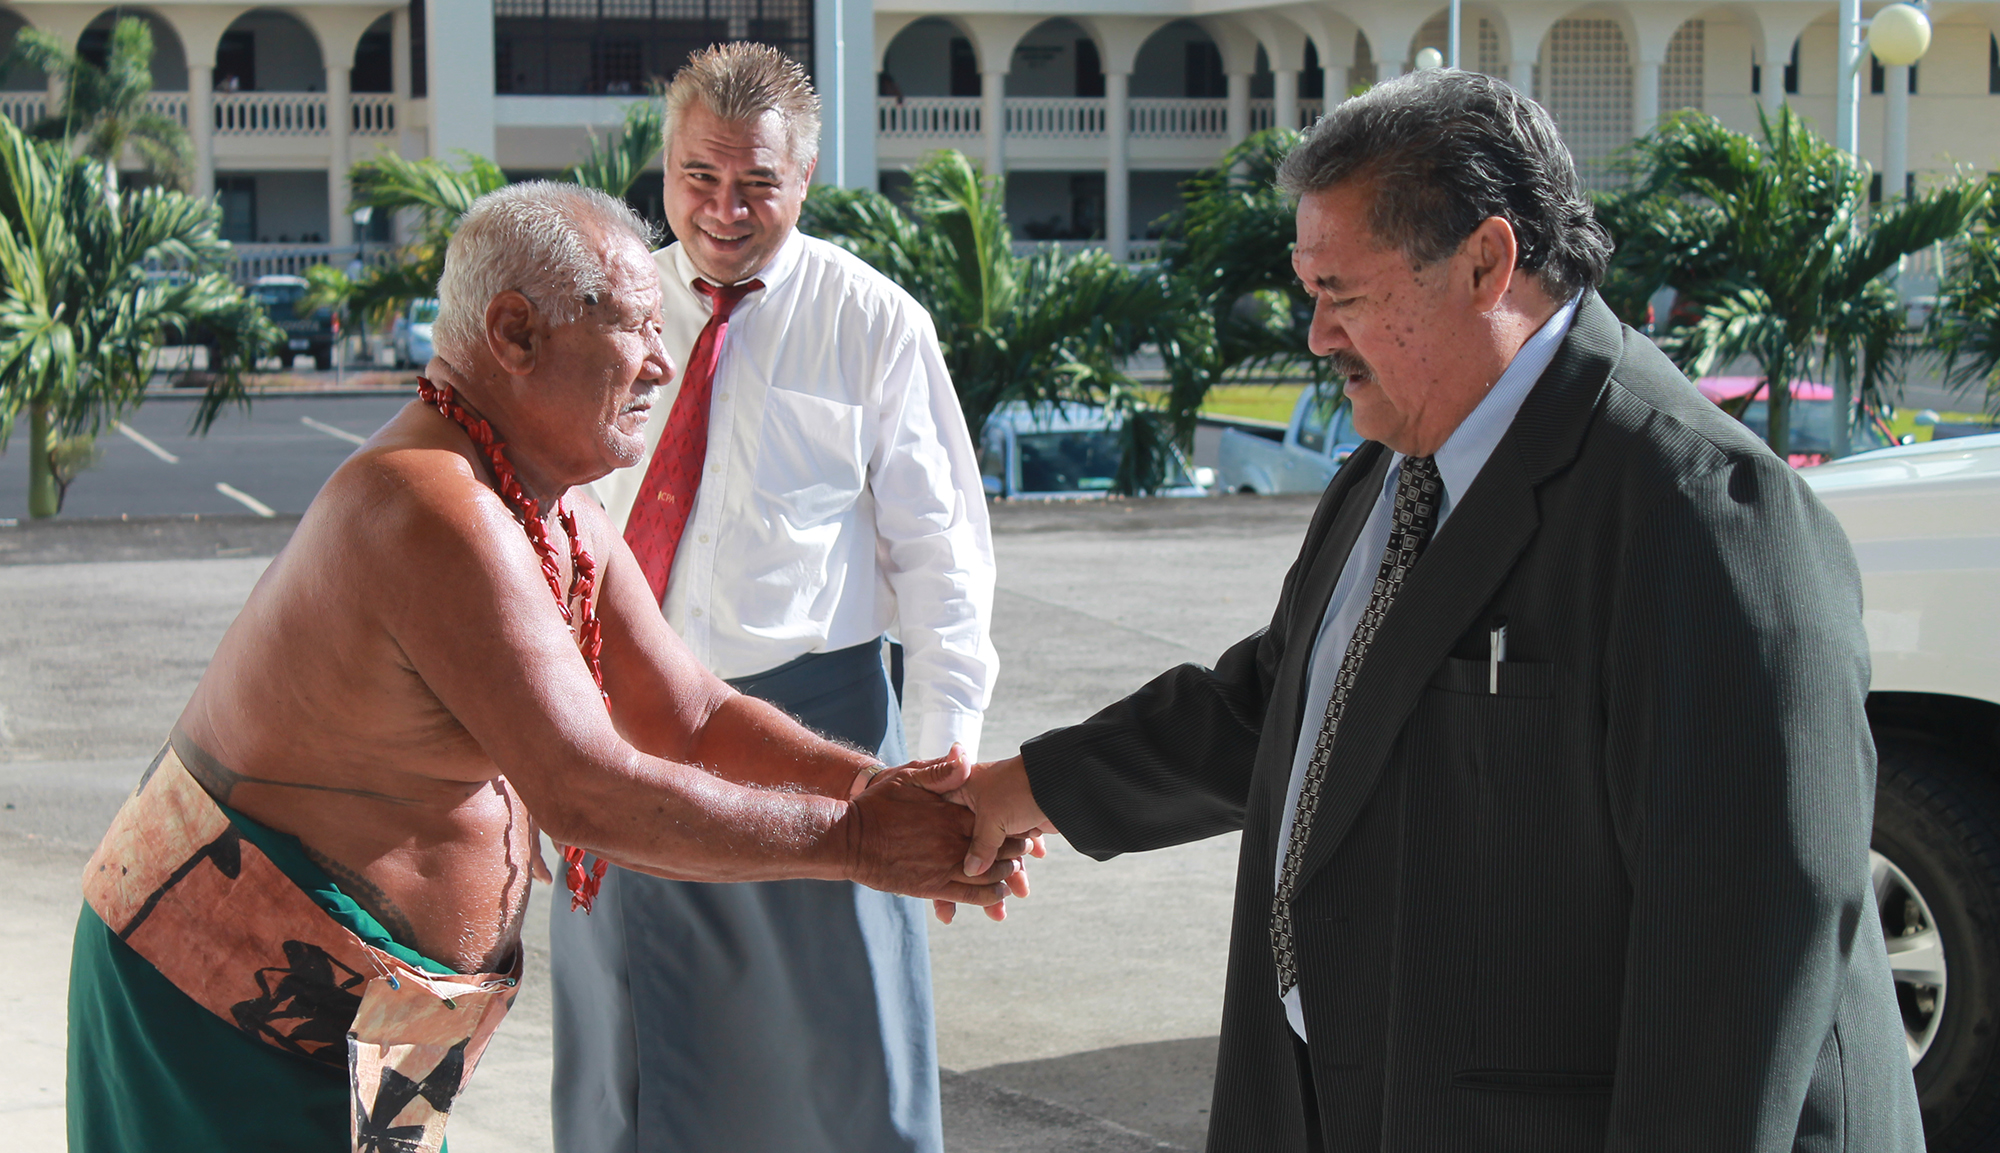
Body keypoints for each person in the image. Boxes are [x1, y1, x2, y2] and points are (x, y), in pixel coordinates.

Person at [950, 70, 1923, 1151]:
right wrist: (1018, 789)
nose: (1315, 336)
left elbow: (1738, 969)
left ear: (1483, 263)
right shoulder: (1394, 464)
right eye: (1306, 291)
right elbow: (1284, 706)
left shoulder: (1702, 516)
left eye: (1343, 295)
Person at [65, 182, 1021, 1153]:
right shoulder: (428, 507)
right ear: (515, 335)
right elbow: (585, 793)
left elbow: (687, 714)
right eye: (636, 328)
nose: (660, 359)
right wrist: (863, 842)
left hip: (382, 1018)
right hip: (221, 996)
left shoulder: (561, 511)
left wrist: (879, 788)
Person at [554, 42, 998, 1153]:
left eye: (756, 182)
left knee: (850, 1078)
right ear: (663, 167)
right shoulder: (603, 309)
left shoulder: (871, 320)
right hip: (624, 731)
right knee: (631, 1069)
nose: (723, 208)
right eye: (698, 177)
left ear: (803, 179)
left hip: (816, 736)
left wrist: (943, 775)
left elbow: (944, 562)